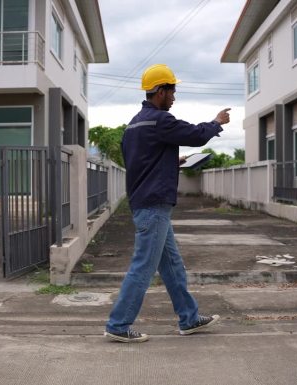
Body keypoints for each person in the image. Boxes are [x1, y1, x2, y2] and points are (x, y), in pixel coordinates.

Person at [104, 64, 231, 343]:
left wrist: (172, 161)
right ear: (160, 91)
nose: (174, 96)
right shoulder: (161, 121)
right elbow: (195, 134)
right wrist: (217, 122)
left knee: (172, 264)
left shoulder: (134, 125)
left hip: (145, 202)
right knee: (143, 267)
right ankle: (118, 324)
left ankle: (189, 318)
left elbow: (141, 163)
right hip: (154, 205)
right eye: (172, 90)